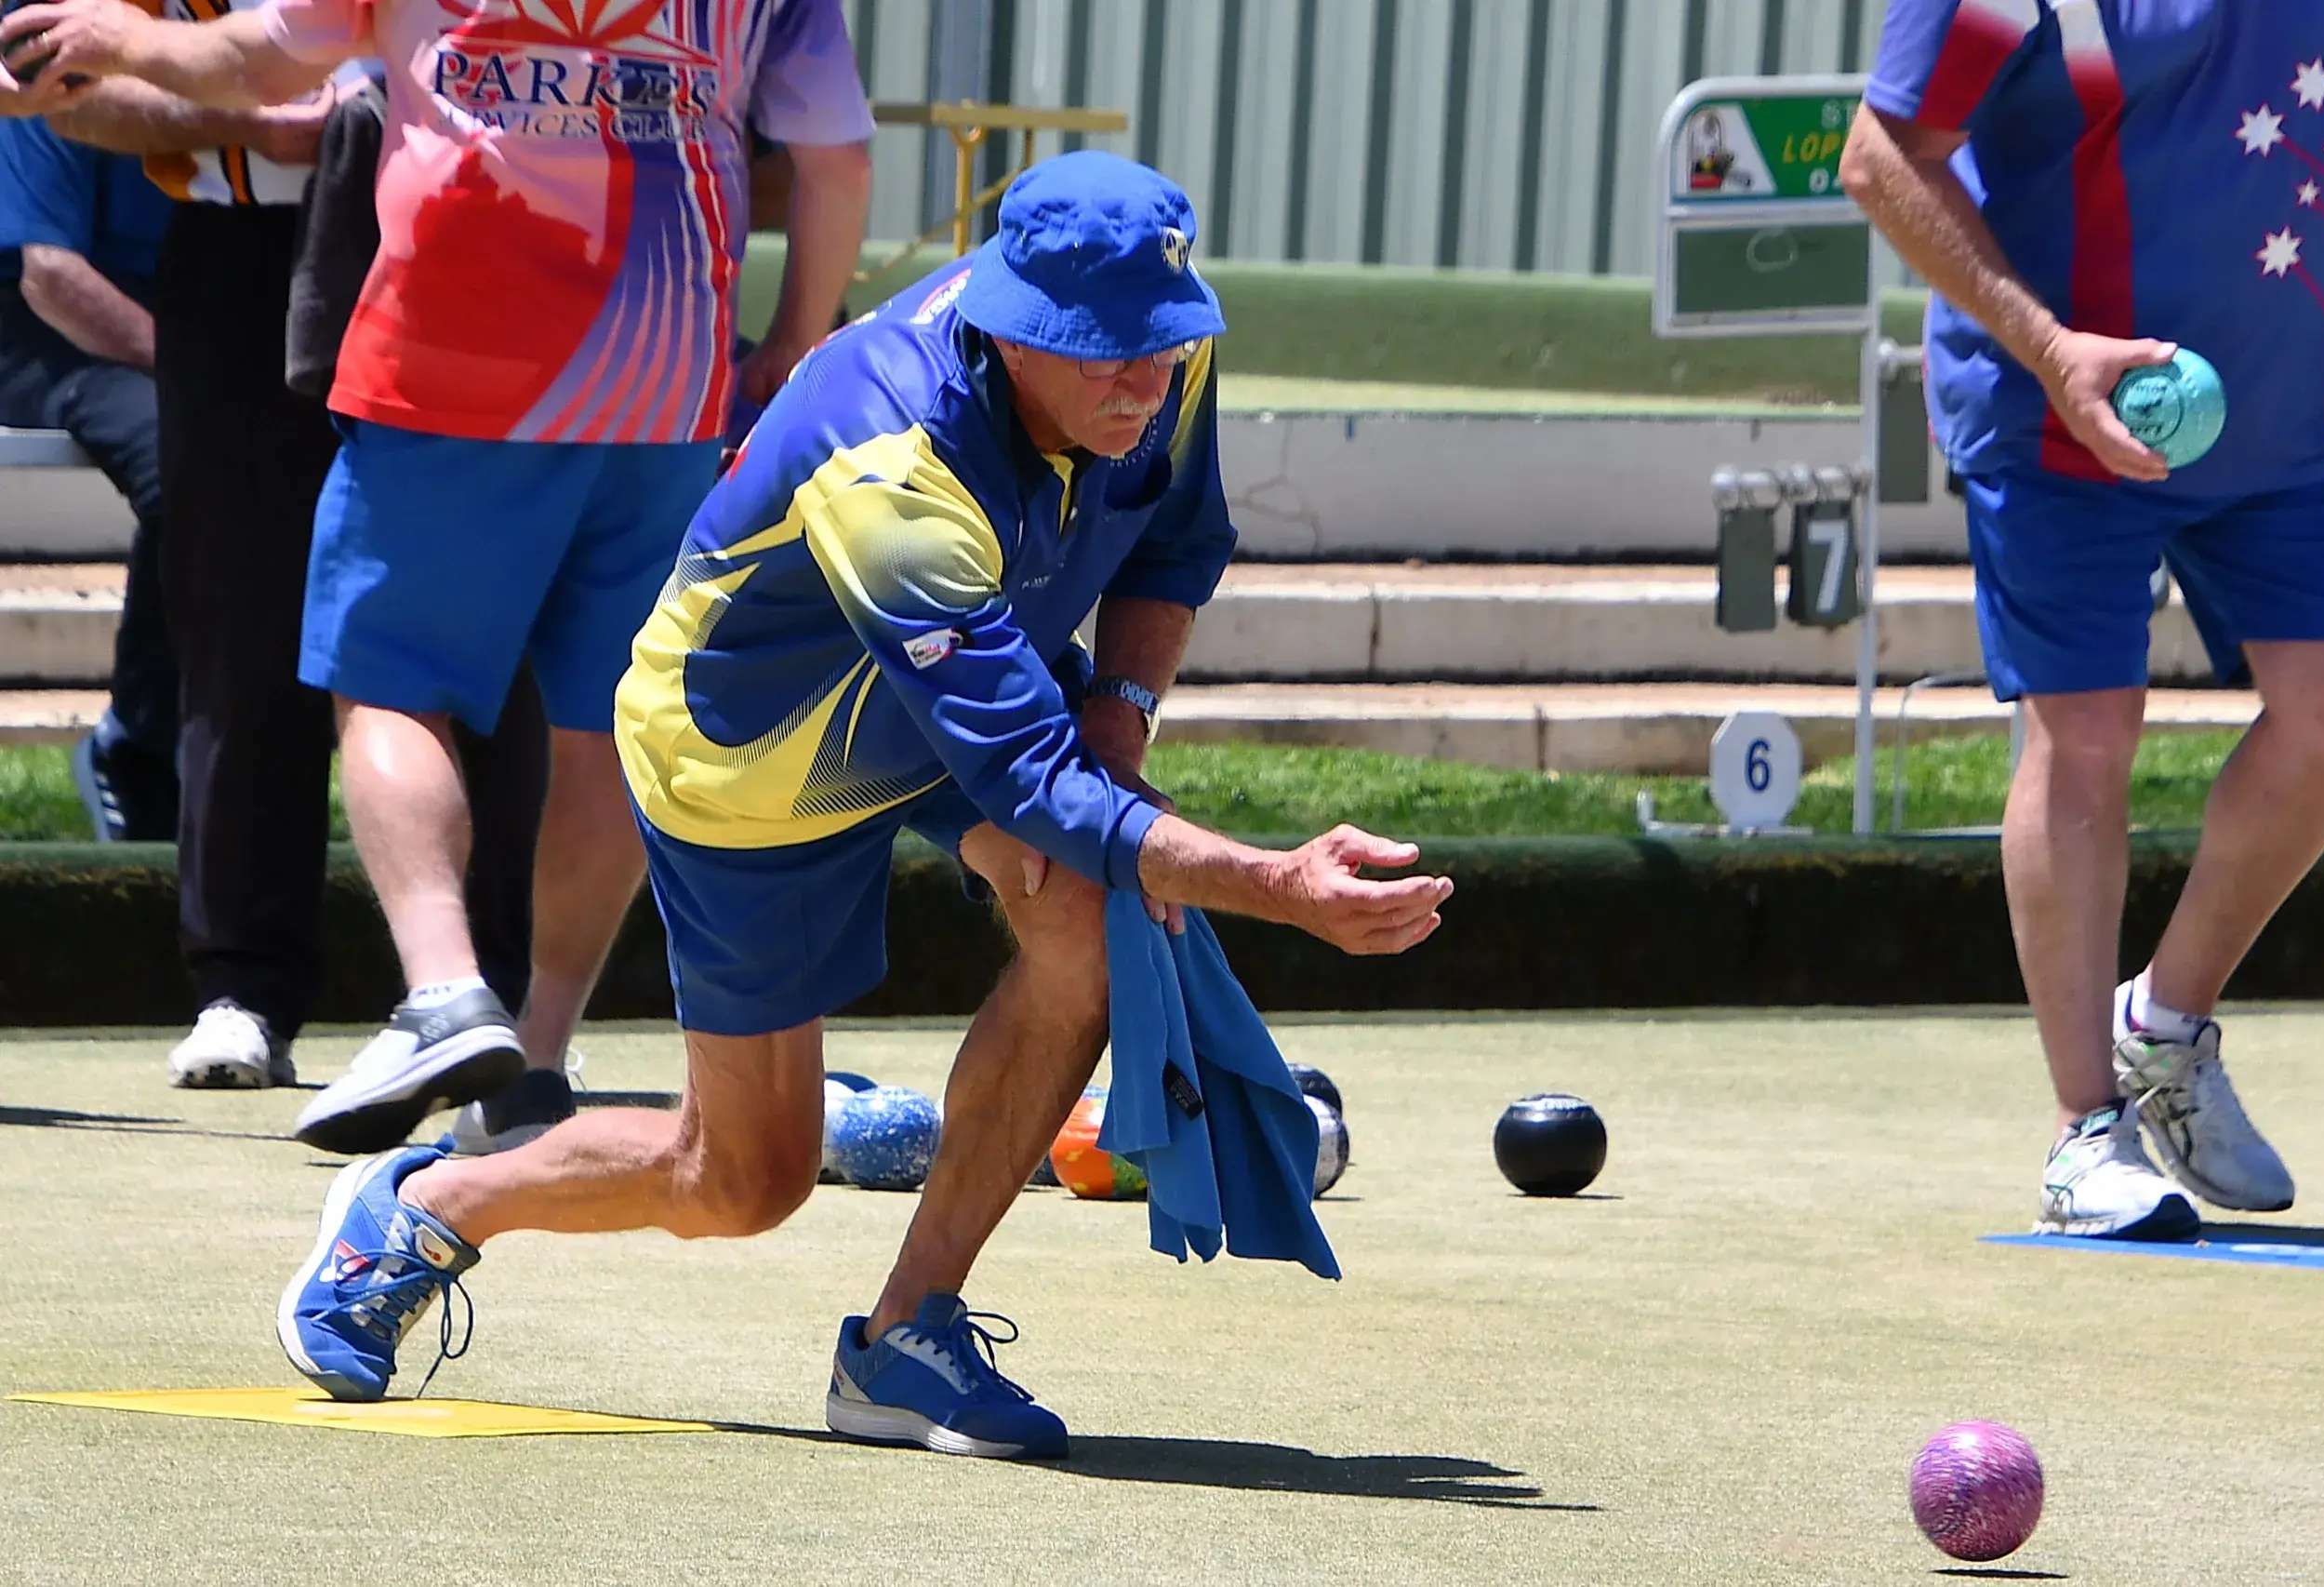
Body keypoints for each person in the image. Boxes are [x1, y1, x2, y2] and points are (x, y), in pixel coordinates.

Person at [262, 153, 1452, 1460]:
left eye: (1161, 347)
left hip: (964, 671)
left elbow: (1169, 544)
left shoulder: (1160, 363)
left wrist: (1117, 714)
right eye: (1102, 352)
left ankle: (905, 1340)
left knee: (1082, 918)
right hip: (754, 751)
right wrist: (1274, 885)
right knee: (741, 1181)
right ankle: (433, 1202)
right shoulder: (890, 460)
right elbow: (1035, 786)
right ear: (1006, 328)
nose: (1142, 380)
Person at [3, 0, 876, 1146]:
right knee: (604, 722)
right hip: (666, 370)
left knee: (386, 682)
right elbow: (836, 156)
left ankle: (445, 987)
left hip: (453, 364)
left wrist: (113, 37)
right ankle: (540, 1047)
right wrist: (796, 335)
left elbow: (253, 57)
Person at [1844, 0, 2324, 1239]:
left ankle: (2165, 1025)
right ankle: (2083, 1129)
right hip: (2053, 416)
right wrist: (2046, 348)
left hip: (2293, 416)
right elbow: (1882, 156)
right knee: (2083, 734)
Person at [0, 110, 178, 842]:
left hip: (202, 324)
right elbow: (51, 278)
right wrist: (205, 375)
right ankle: (137, 750)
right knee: (189, 465)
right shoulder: (45, 42)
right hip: (50, 333)